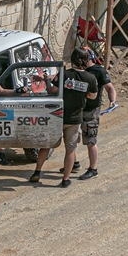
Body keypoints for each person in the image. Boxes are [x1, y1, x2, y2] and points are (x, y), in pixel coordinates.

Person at [30, 50, 97, 188]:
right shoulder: (90, 78)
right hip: (75, 118)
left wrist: (47, 80)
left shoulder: (64, 74)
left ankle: (37, 172)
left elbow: (51, 90)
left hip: (57, 115)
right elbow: (92, 96)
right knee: (70, 149)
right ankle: (65, 179)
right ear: (86, 61)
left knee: (46, 145)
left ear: (72, 60)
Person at [77, 48, 114, 181]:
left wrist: (112, 101)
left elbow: (110, 88)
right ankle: (74, 163)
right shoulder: (78, 71)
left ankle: (93, 169)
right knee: (73, 138)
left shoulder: (99, 71)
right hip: (77, 109)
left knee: (90, 140)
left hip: (91, 111)